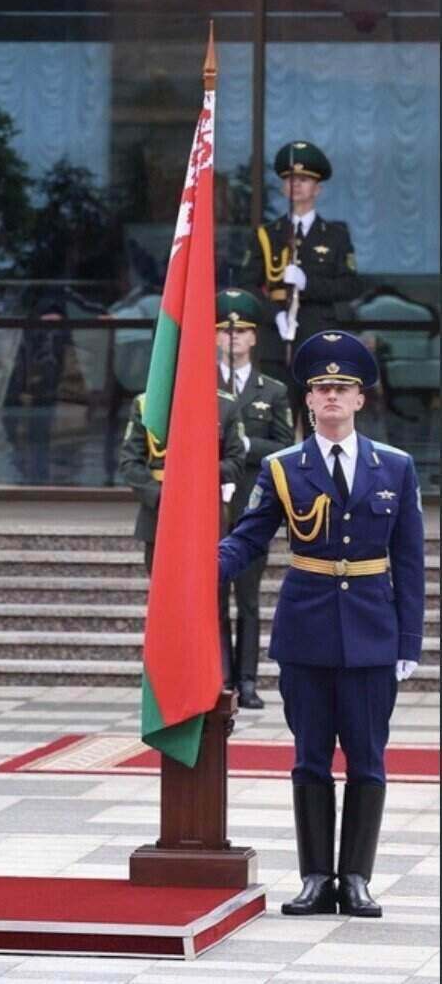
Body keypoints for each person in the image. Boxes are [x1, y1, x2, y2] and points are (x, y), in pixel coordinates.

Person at [219, 331, 424, 918]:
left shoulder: (397, 467)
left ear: (361, 399)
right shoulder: (283, 467)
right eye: (321, 388)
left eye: (343, 387)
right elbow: (249, 537)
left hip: (371, 635)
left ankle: (355, 877)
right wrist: (203, 567)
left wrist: (408, 640)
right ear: (307, 401)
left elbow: (409, 562)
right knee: (310, 758)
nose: (331, 396)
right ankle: (315, 878)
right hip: (307, 633)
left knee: (367, 759)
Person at [216, 288, 295, 710]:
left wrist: (243, 446)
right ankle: (220, 676)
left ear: (253, 339)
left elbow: (285, 448)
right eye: (226, 332)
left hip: (251, 506)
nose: (233, 338)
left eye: (242, 331)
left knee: (247, 597)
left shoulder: (273, 390)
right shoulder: (196, 386)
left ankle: (247, 680)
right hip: (209, 505)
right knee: (212, 597)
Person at [238, 141, 363, 396]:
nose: (295, 184)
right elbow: (247, 284)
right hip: (275, 339)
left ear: (317, 188)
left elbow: (350, 285)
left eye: (304, 179)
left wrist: (308, 284)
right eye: (290, 179)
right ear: (284, 187)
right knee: (274, 419)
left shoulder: (335, 236)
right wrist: (274, 314)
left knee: (316, 422)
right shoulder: (267, 235)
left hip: (318, 337)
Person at [118, 383, 246, 575]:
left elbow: (236, 462)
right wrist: (161, 497)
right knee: (163, 595)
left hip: (205, 511)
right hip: (159, 514)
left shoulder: (225, 405)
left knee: (208, 594)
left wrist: (199, 474)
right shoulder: (147, 404)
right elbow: (130, 463)